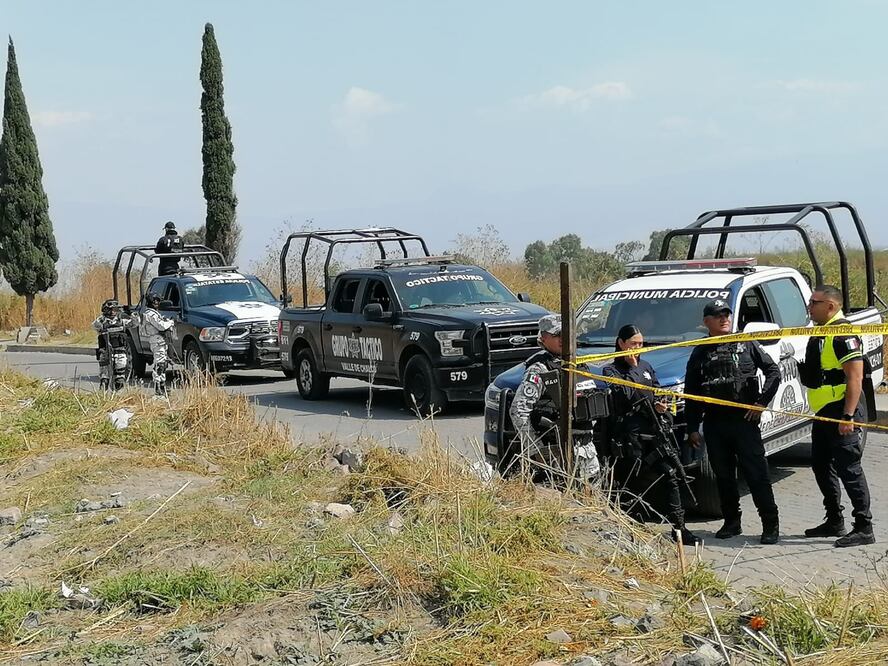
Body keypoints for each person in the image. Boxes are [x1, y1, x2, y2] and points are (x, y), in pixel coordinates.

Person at [684, 299, 781, 544]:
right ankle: (731, 522)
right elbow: (691, 393)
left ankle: (770, 525)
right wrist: (693, 428)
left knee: (757, 475)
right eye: (718, 316)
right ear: (707, 322)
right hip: (715, 424)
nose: (724, 319)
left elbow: (773, 372)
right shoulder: (700, 350)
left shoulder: (746, 343)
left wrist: (760, 404)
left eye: (726, 314)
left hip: (744, 422)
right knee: (724, 477)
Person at [603, 324, 699, 545]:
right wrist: (631, 366)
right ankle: (632, 527)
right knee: (631, 481)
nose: (637, 348)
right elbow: (626, 396)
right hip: (630, 437)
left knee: (672, 474)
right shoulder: (612, 370)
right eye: (633, 343)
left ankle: (679, 528)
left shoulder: (646, 366)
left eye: (640, 343)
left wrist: (661, 405)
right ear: (621, 344)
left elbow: (656, 390)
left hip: (653, 433)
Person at [799, 285, 875, 547]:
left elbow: (855, 377)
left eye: (814, 302)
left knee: (849, 468)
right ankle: (834, 520)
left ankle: (864, 527)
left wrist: (848, 416)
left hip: (841, 409)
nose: (809, 305)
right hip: (823, 411)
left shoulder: (842, 334)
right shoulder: (822, 331)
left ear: (830, 306)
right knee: (821, 465)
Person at [510, 314, 600, 482]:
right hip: (555, 454)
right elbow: (518, 411)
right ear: (544, 338)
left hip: (587, 452)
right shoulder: (540, 369)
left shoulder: (579, 364)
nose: (563, 339)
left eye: (567, 334)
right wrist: (536, 450)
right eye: (557, 335)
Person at [92, 299, 135, 390]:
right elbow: (95, 325)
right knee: (105, 378)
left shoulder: (122, 320)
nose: (112, 312)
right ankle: (104, 393)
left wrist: (135, 318)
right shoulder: (101, 321)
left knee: (120, 376)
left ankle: (117, 391)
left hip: (120, 349)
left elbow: (133, 324)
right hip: (105, 350)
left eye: (115, 310)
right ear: (105, 310)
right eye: (110, 310)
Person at [140, 291, 175, 396]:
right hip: (156, 340)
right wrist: (170, 322)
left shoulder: (154, 313)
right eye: (154, 300)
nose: (156, 302)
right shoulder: (150, 314)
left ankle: (162, 385)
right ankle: (157, 387)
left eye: (158, 301)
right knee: (159, 364)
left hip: (161, 340)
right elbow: (161, 326)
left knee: (163, 364)